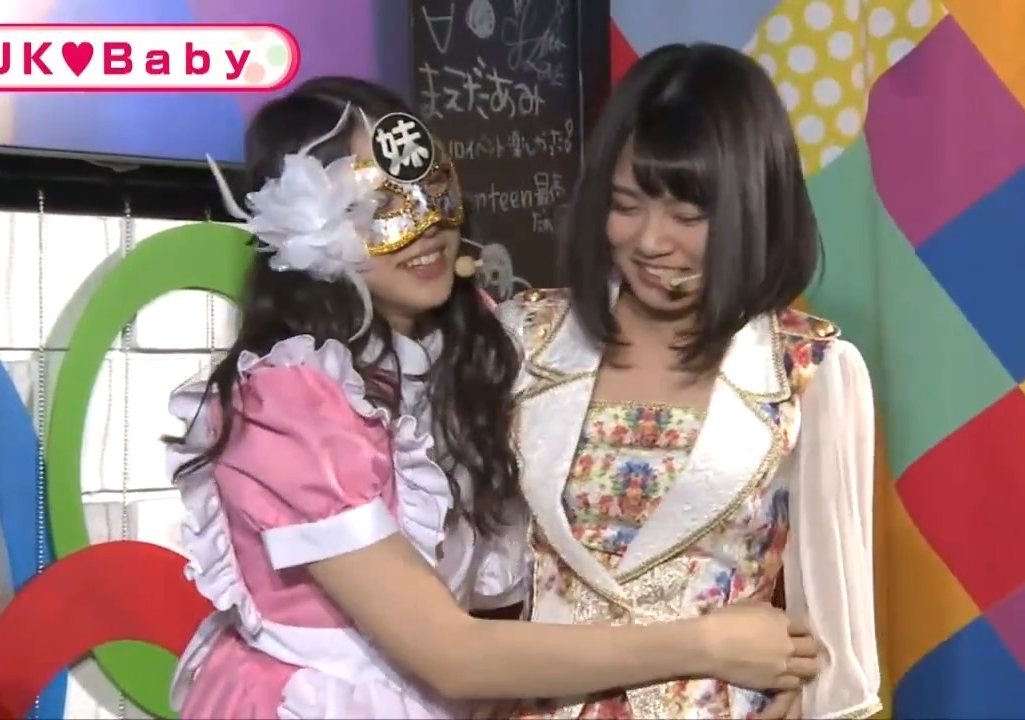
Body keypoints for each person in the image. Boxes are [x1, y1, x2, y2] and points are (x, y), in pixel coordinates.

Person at [164, 77, 821, 720]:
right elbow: (451, 654)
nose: (424, 227)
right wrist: (711, 648)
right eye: (378, 206)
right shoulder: (291, 408)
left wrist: (780, 674)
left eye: (431, 188)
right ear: (302, 225)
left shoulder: (484, 342)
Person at [501, 44, 881, 719]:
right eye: (626, 205)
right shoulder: (520, 341)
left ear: (754, 211)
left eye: (688, 216)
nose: (651, 241)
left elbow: (838, 667)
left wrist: (809, 696)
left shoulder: (811, 372)